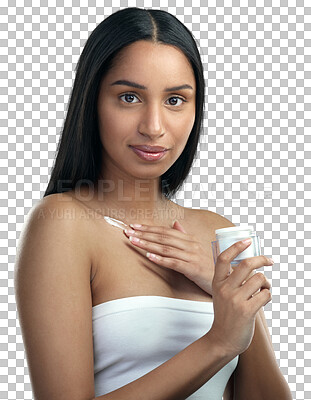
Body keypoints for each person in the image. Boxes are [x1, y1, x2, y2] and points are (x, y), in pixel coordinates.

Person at [14, 7, 292, 400]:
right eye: (129, 97)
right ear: (92, 101)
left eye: (176, 100)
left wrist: (228, 297)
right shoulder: (63, 223)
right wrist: (217, 344)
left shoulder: (215, 229)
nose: (154, 126)